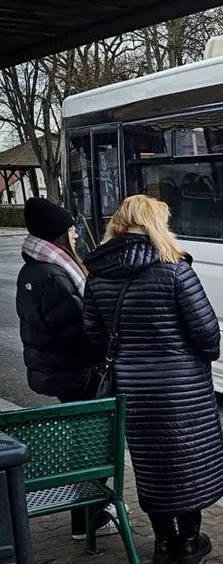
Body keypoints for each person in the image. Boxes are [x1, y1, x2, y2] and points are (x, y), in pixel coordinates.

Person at [82, 195, 223, 564]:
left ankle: (163, 544)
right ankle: (191, 543)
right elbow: (208, 334)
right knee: (188, 462)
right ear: (154, 225)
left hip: (132, 390)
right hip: (183, 391)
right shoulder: (174, 269)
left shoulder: (97, 273)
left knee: (153, 467)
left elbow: (94, 336)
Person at [15, 198, 116, 540]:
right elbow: (80, 332)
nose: (75, 234)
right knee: (92, 442)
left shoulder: (37, 268)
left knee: (86, 439)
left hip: (61, 372)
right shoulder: (53, 275)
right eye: (70, 229)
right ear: (57, 234)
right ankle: (85, 518)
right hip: (78, 372)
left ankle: (89, 511)